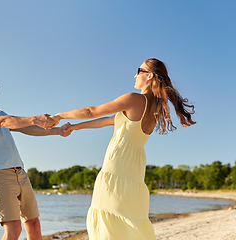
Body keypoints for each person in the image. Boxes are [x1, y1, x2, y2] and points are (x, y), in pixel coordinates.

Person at [53, 58, 196, 240]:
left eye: (139, 70)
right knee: (128, 222)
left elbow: (92, 111)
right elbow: (109, 121)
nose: (135, 75)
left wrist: (59, 116)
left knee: (107, 223)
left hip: (117, 167)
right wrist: (74, 127)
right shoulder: (153, 109)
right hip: (134, 173)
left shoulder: (134, 99)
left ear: (149, 76)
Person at [0, 72, 66, 240]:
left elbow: (24, 128)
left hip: (20, 172)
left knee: (34, 224)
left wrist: (57, 131)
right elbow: (2, 122)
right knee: (14, 229)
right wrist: (35, 118)